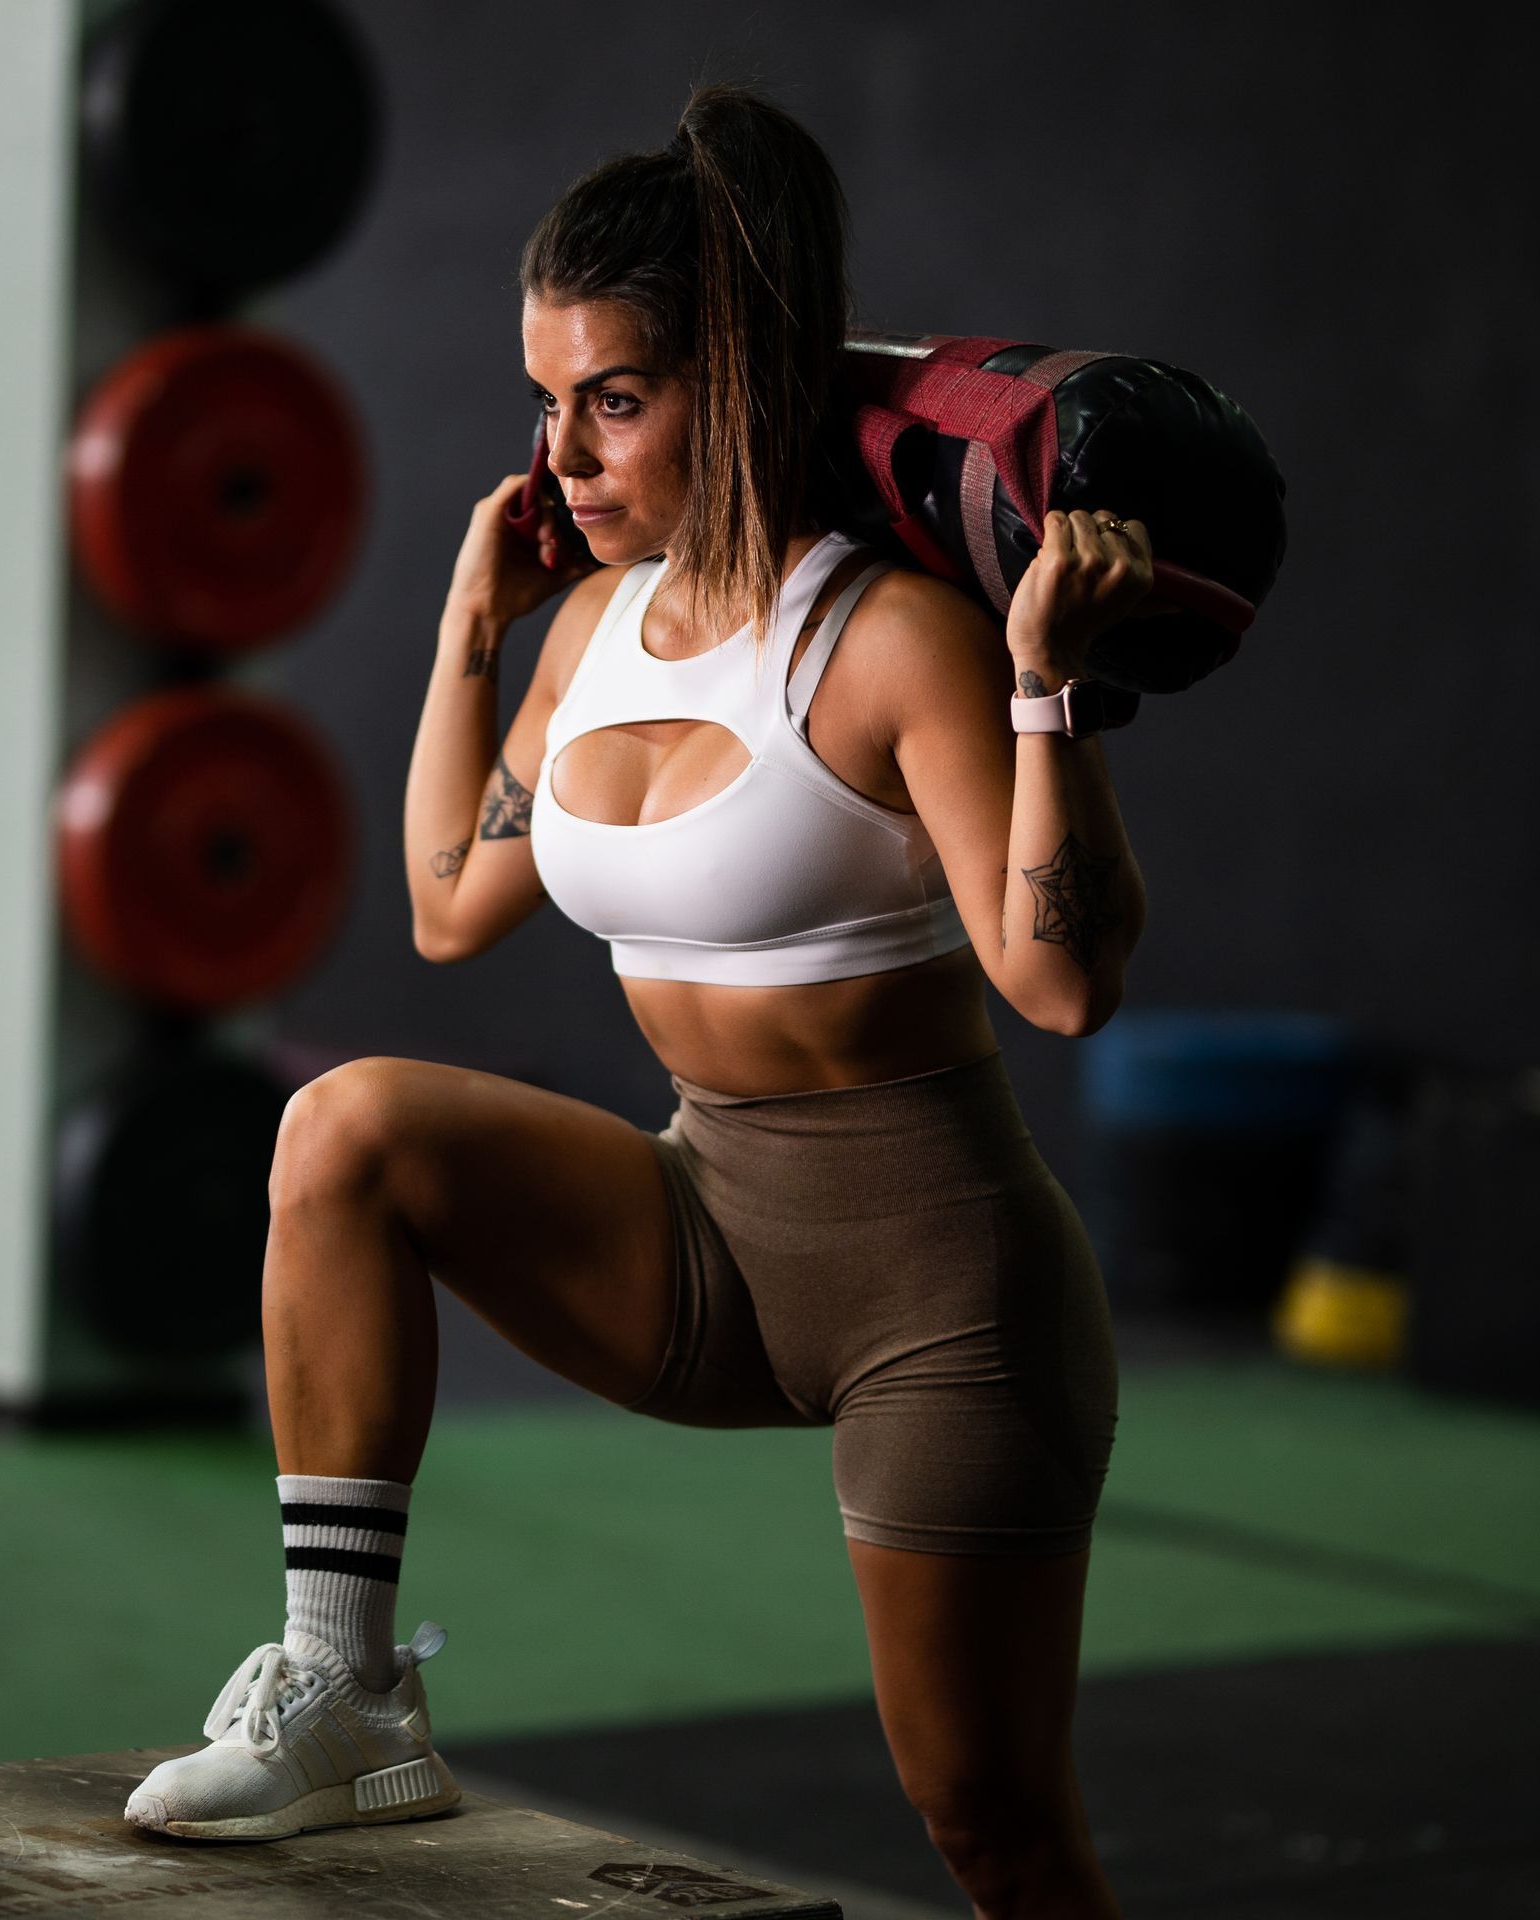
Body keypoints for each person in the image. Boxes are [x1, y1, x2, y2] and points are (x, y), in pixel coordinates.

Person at [127, 81, 1158, 1918]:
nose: (565, 457)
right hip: (703, 1240)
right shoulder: (595, 631)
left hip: (942, 1297)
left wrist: (1048, 693)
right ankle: (348, 1694)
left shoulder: (894, 643)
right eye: (548, 404)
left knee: (990, 1818)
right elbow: (450, 907)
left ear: (738, 385)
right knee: (345, 1128)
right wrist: (473, 633)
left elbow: (1062, 984)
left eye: (614, 400)